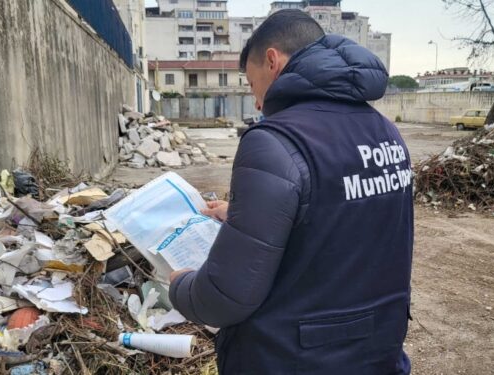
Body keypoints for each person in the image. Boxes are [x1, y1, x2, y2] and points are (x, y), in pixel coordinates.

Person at [169, 9, 413, 374]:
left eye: (252, 86)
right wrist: (242, 217)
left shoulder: (274, 141)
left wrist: (179, 284)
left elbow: (225, 296)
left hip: (291, 358)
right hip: (376, 352)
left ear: (272, 60)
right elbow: (345, 225)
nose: (255, 102)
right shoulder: (386, 133)